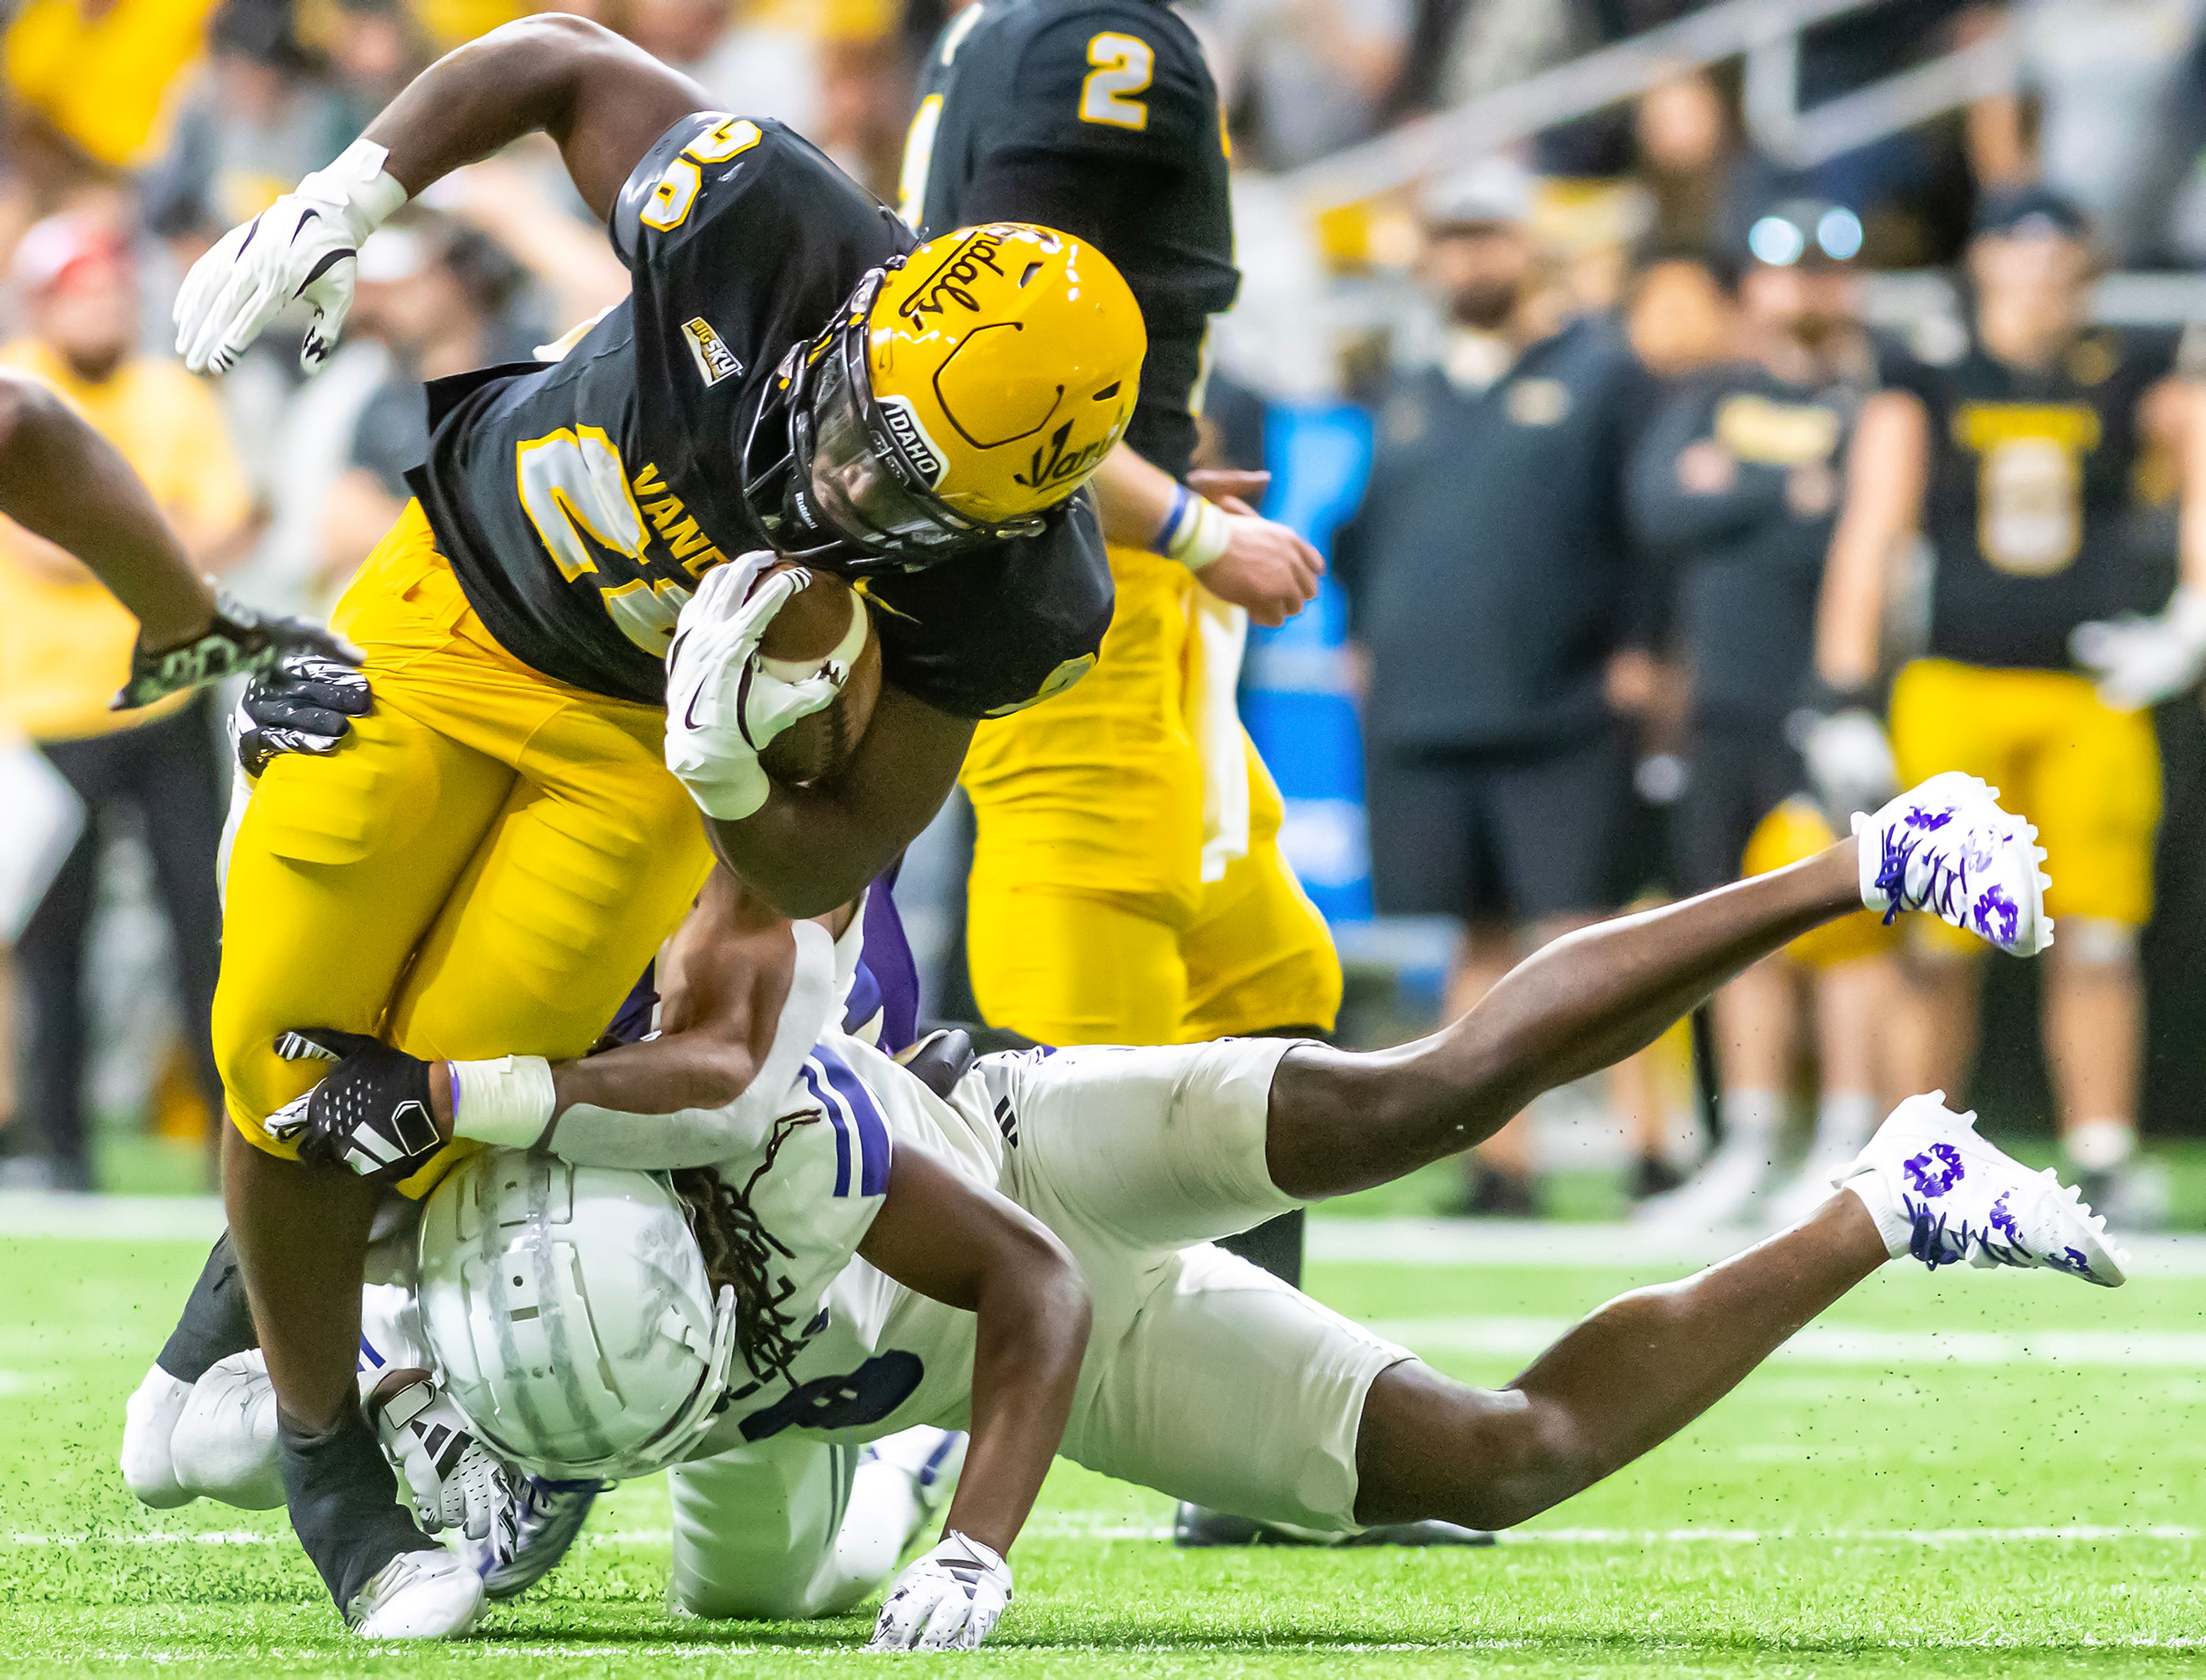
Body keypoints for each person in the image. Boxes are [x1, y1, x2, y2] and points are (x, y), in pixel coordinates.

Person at [240, 768, 2103, 1652]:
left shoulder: (767, 1153)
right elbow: (307, 1205)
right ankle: (1890, 1193)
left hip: (1009, 1175)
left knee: (1407, 1102)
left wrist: (975, 1541)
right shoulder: (504, 1295)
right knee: (1499, 1453)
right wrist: (355, 1412)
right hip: (858, 1395)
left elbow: (1032, 1288)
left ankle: (1866, 853)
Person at [169, 13, 1144, 1636]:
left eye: (905, 491)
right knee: (285, 1050)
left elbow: (835, 856)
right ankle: (309, 1432)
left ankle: (303, 1384)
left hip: (638, 755)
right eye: (857, 425)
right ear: (865, 317)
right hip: (453, 612)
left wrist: (734, 781)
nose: (839, 489)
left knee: (436, 1087)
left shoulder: (1019, 589)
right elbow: (558, 55)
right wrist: (352, 192)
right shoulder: (768, 218)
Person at [901, 0, 1336, 1387]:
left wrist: (1149, 494)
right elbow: (1006, 367)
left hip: (1079, 562)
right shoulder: (1100, 40)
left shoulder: (997, 33)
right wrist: (1193, 532)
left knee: (1266, 978)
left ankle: (1259, 1428)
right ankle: (914, 1421)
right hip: (1085, 599)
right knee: (1090, 1050)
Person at [1806, 184, 2206, 1225]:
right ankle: (1911, 1149)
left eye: (2055, 255)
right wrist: (1844, 687)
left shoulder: (2135, 369)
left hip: (2093, 685)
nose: (2035, 276)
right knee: (1938, 935)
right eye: (2015, 253)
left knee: (2102, 934)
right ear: (1980, 262)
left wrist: (2192, 618)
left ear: (2086, 268)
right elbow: (1873, 529)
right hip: (1957, 681)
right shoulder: (1929, 375)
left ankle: (2101, 1149)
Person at [1333, 159, 1667, 1217]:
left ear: (1532, 247)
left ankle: (1654, 1152)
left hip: (1563, 701)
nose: (1470, 258)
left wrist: (1644, 648)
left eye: (1489, 237)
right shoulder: (1408, 388)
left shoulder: (1604, 373)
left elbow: (1649, 527)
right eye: (1453, 239)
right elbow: (1364, 535)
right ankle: (1501, 1163)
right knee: (1472, 938)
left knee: (1587, 933)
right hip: (1430, 705)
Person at [1627, 202, 1903, 1229]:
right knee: (1728, 921)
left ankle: (1845, 1135)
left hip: (1827, 697)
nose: (1804, 293)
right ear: (1756, 286)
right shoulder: (1712, 393)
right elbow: (1658, 510)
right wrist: (1780, 488)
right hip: (1720, 699)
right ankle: (1748, 1139)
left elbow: (1852, 530)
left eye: (1825, 273)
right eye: (1786, 272)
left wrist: (1734, 490)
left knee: (1845, 931)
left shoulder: (1877, 396)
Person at [0, 212, 268, 1188]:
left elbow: (229, 520)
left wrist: (110, 536)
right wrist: (152, 533)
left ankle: (227, 1140)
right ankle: (61, 1149)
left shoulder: (168, 393)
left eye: (113, 288)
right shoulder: (18, 389)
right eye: (83, 291)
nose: (103, 306)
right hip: (45, 709)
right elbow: (43, 548)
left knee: (207, 920)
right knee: (48, 940)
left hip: (165, 698)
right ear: (43, 302)